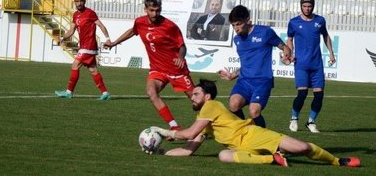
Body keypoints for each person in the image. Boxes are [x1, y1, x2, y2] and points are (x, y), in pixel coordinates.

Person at [149, 79, 360, 168]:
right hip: (242, 147)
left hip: (253, 134)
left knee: (302, 148)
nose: (192, 97)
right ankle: (272, 159)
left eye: (196, 93)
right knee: (223, 155)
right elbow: (188, 150)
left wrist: (161, 130)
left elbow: (187, 134)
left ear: (208, 96)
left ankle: (336, 161)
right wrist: (160, 152)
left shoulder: (210, 107)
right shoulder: (204, 119)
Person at [106, 0, 194, 131]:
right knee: (151, 93)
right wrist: (114, 43)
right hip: (157, 69)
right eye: (152, 10)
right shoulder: (140, 22)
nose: (155, 13)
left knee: (197, 101)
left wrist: (181, 57)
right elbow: (132, 31)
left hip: (176, 70)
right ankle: (174, 127)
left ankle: (214, 124)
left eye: (158, 10)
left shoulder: (170, 26)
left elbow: (182, 46)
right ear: (145, 9)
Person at [217, 5, 291, 128]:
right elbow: (246, 65)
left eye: (238, 24)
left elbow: (283, 46)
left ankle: (263, 140)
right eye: (233, 25)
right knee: (233, 104)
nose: (236, 28)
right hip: (244, 81)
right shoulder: (237, 40)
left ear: (247, 20)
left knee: (254, 111)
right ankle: (243, 132)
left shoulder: (265, 32)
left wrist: (286, 53)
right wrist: (232, 75)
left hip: (262, 81)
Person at [286, 0, 336, 133]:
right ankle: (294, 119)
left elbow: (326, 36)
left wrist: (331, 53)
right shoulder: (294, 22)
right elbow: (289, 39)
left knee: (319, 95)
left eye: (309, 6)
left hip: (316, 65)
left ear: (313, 6)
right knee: (302, 94)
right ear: (300, 6)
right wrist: (290, 53)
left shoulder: (320, 21)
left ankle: (311, 121)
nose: (307, 9)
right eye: (304, 6)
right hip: (301, 64)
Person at [55, 0, 111, 100]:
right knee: (93, 70)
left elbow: (100, 25)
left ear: (84, 1)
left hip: (88, 47)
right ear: (74, 2)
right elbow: (71, 30)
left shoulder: (90, 13)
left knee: (75, 65)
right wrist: (62, 38)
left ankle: (69, 92)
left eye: (81, 1)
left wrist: (108, 39)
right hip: (85, 47)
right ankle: (105, 93)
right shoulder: (75, 15)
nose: (79, 3)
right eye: (77, 1)